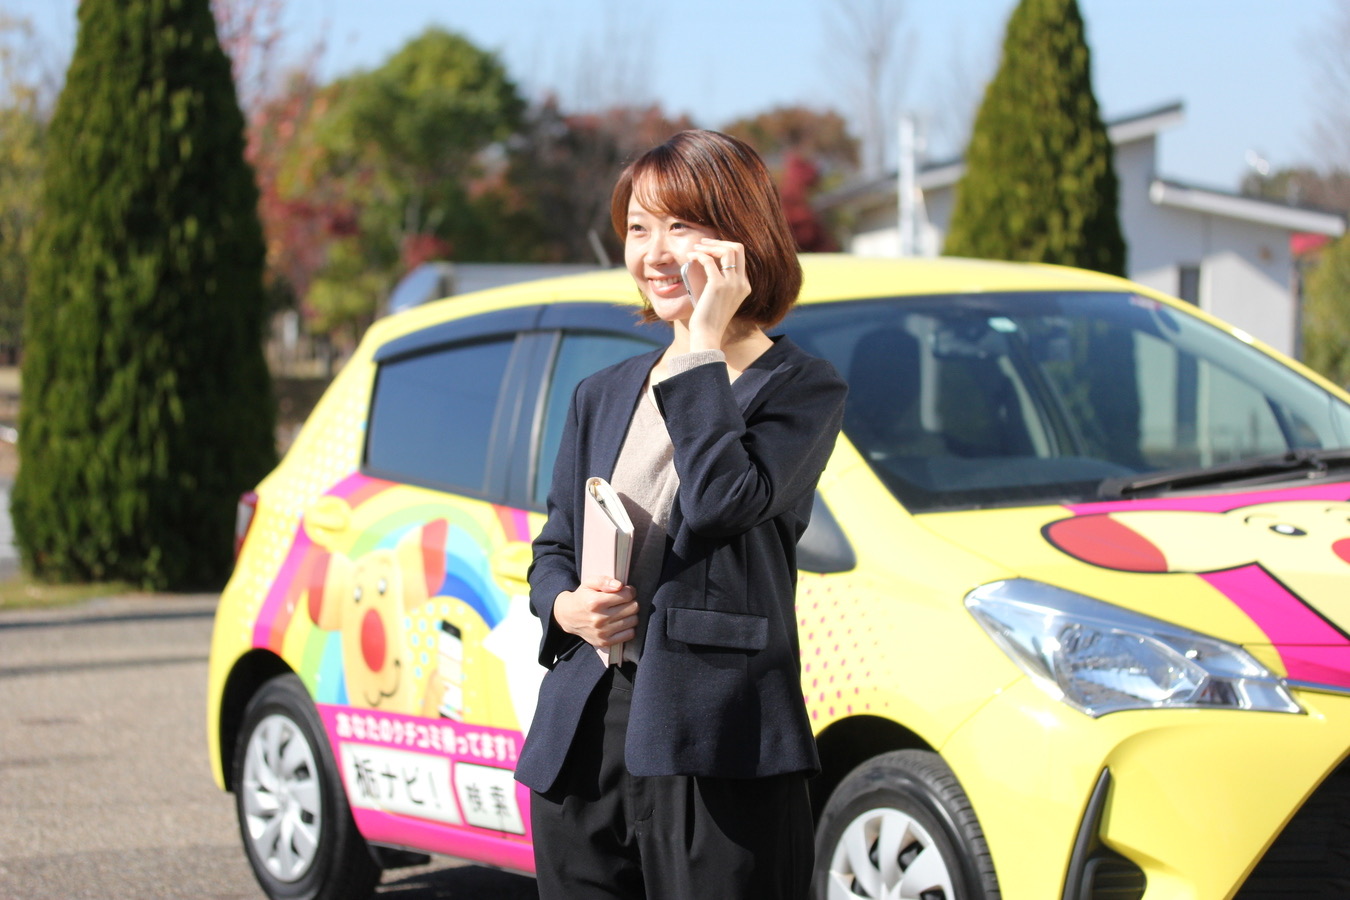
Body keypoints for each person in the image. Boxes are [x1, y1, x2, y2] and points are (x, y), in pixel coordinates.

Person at [514, 129, 848, 900]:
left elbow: (723, 502)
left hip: (719, 740)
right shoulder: (601, 393)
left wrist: (701, 347)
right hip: (584, 733)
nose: (654, 252)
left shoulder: (801, 387)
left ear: (741, 236)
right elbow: (555, 545)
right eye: (638, 228)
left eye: (681, 225)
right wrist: (566, 606)